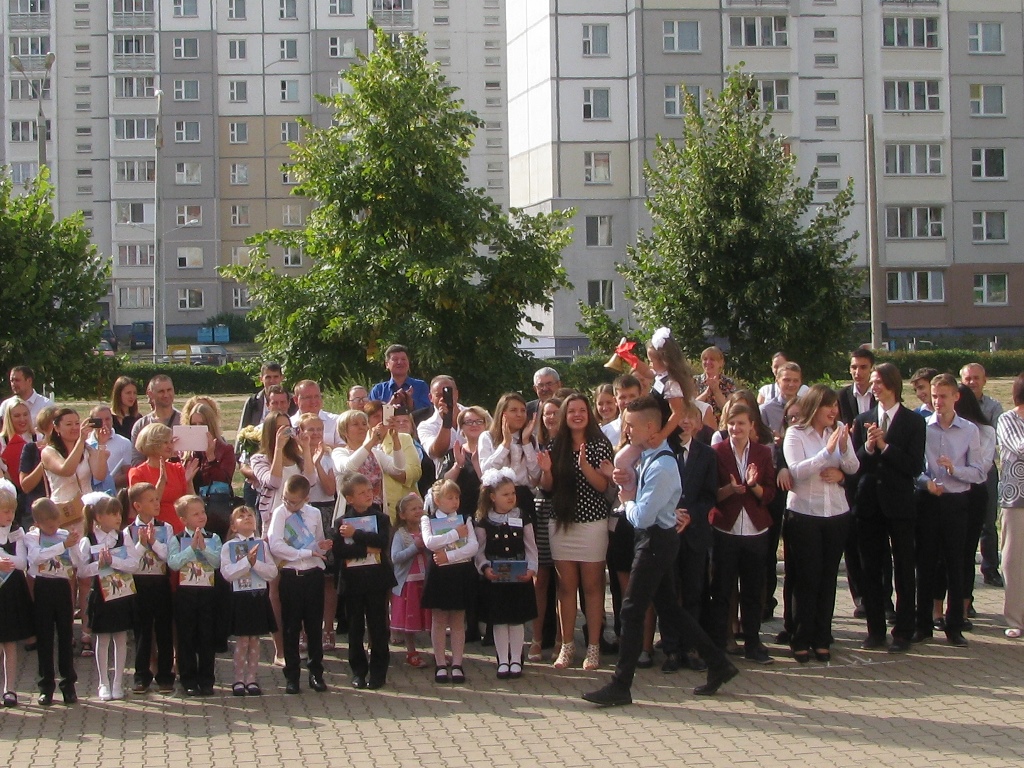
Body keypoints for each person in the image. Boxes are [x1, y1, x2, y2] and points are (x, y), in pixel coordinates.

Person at [583, 396, 738, 707]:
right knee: (670, 608)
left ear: (651, 427)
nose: (625, 430)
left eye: (630, 425)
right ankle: (719, 664)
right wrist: (629, 480)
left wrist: (626, 498)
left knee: (631, 610)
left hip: (655, 541)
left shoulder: (663, 465)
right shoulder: (650, 455)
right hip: (656, 539)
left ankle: (620, 685)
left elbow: (642, 516)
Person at [852, 363, 926, 654]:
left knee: (905, 568)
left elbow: (913, 465)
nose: (875, 387)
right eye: (872, 382)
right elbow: (855, 464)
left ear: (893, 385)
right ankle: (875, 630)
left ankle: (904, 630)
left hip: (899, 505)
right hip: (869, 503)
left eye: (879, 381)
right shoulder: (863, 419)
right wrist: (869, 448)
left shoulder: (912, 422)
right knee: (871, 568)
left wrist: (885, 446)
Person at [783, 385, 859, 663]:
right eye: (829, 406)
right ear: (815, 407)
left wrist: (842, 460)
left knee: (828, 578)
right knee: (807, 578)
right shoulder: (796, 434)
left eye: (836, 407)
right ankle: (800, 638)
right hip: (805, 514)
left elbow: (853, 466)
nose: (834, 411)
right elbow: (797, 471)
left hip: (836, 513)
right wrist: (825, 453)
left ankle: (822, 637)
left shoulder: (839, 430)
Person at [537, 392, 613, 671]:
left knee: (593, 588)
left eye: (582, 410)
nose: (577, 415)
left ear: (589, 414)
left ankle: (593, 649)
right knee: (566, 588)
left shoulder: (599, 444)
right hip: (561, 523)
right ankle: (567, 646)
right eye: (572, 411)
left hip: (592, 523)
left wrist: (585, 467)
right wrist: (545, 471)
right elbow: (547, 488)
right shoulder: (555, 444)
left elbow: (604, 487)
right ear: (564, 416)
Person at [915, 374, 986, 648]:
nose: (938, 401)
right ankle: (923, 625)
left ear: (956, 397)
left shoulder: (969, 430)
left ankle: (955, 625)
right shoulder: (923, 427)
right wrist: (926, 482)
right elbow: (915, 468)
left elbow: (979, 471)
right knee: (926, 563)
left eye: (943, 396)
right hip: (929, 501)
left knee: (956, 563)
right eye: (934, 396)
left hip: (957, 502)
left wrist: (954, 470)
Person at [710, 404, 776, 664]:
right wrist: (731, 489)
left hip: (755, 529)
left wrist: (753, 486)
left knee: (752, 590)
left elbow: (769, 493)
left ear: (751, 426)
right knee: (722, 589)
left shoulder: (761, 453)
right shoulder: (716, 452)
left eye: (741, 424)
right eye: (731, 423)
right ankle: (719, 644)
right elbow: (710, 494)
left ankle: (753, 643)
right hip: (725, 528)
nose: (736, 429)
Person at [269, 475, 332, 694]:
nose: (289, 504)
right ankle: (292, 675)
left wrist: (323, 547)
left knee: (314, 626)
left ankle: (316, 673)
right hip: (290, 574)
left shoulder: (313, 513)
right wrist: (303, 552)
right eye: (286, 499)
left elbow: (318, 542)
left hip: (313, 573)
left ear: (306, 498)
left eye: (294, 501)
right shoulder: (280, 513)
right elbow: (275, 544)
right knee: (291, 627)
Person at [333, 472, 394, 690]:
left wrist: (356, 534)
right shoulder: (341, 522)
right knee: (355, 628)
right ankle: (358, 670)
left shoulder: (380, 518)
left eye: (370, 490)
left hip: (377, 581)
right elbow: (340, 550)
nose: (369, 495)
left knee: (378, 627)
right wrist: (366, 548)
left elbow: (382, 542)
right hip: (353, 583)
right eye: (362, 492)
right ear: (350, 499)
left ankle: (379, 672)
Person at [474, 468, 538, 679]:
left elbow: (531, 546)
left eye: (513, 493)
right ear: (492, 497)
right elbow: (479, 550)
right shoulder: (484, 521)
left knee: (516, 620)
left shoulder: (523, 516)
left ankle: (517, 659)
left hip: (518, 578)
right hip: (496, 579)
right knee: (500, 620)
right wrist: (485, 568)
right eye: (505, 494)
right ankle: (502, 659)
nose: (511, 498)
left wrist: (531, 569)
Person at [76, 493, 139, 701]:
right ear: (99, 517)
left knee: (121, 638)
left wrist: (114, 562)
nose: (117, 518)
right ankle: (103, 682)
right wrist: (99, 565)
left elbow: (134, 564)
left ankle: (118, 682)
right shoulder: (88, 540)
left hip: (121, 595)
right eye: (112, 514)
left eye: (119, 513)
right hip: (100, 595)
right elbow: (82, 571)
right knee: (102, 639)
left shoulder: (124, 537)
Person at [673, 403, 719, 670]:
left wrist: (691, 514)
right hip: (668, 531)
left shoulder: (707, 455)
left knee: (693, 591)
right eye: (682, 416)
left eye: (692, 417)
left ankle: (690, 647)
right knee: (669, 591)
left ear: (699, 424)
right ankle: (670, 648)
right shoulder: (663, 452)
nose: (686, 421)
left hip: (695, 533)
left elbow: (710, 496)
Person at [421, 478, 479, 684]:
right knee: (438, 620)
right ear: (437, 500)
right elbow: (430, 542)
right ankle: (439, 663)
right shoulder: (427, 519)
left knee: (457, 620)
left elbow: (473, 546)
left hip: (460, 572)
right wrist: (455, 534)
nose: (455, 502)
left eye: (457, 497)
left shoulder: (465, 518)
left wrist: (450, 556)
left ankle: (457, 663)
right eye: (450, 497)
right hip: (439, 574)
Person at [25, 498, 81, 706]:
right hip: (43, 586)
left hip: (62, 586)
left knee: (66, 635)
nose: (54, 528)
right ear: (38, 523)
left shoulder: (64, 535)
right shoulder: (32, 537)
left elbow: (76, 561)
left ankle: (69, 685)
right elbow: (36, 558)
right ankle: (46, 686)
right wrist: (62, 546)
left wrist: (73, 546)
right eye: (49, 525)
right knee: (45, 637)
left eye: (56, 523)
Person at [167, 494, 222, 696]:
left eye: (203, 512)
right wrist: (191, 549)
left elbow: (217, 562)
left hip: (207, 592)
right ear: (183, 520)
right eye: (195, 514)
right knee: (186, 637)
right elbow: (173, 563)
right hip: (186, 593)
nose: (201, 516)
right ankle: (188, 679)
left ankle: (207, 680)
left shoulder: (213, 538)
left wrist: (204, 548)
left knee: (207, 636)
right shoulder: (177, 539)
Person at [220, 505, 278, 697]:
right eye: (241, 516)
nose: (247, 518)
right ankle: (238, 678)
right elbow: (227, 573)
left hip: (258, 596)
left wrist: (256, 564)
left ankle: (252, 678)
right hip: (241, 597)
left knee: (255, 639)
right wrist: (246, 563)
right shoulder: (229, 546)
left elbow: (272, 572)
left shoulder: (262, 544)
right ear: (233, 526)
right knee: (242, 640)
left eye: (250, 515)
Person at [124, 482, 175, 694]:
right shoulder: (128, 531)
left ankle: (165, 675)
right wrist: (141, 544)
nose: (156, 503)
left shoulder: (166, 528)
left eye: (157, 499)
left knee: (164, 630)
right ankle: (141, 676)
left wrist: (154, 542)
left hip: (160, 582)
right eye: (151, 500)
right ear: (137, 506)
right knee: (143, 631)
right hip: (139, 583)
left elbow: (170, 558)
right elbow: (130, 562)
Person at [838, 349, 876, 619]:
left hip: (875, 473)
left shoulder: (880, 394)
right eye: (854, 367)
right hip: (849, 476)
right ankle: (860, 596)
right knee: (851, 540)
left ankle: (881, 597)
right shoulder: (842, 396)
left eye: (863, 367)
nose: (857, 372)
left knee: (874, 540)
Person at [296, 413, 339, 651]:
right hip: (302, 513)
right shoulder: (295, 456)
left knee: (328, 578)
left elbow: (329, 488)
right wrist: (309, 458)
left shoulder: (329, 456)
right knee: (304, 575)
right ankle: (304, 630)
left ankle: (328, 628)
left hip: (325, 513)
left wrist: (321, 459)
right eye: (309, 430)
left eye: (318, 430)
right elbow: (303, 485)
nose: (314, 435)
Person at [960, 362, 1004, 588]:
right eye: (968, 379)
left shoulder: (993, 407)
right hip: (957, 473)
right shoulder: (955, 403)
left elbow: (996, 437)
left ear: (985, 380)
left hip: (986, 470)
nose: (972, 382)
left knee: (988, 522)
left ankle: (990, 568)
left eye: (977, 378)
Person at [529, 397, 561, 662]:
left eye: (555, 413)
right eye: (546, 414)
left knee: (564, 582)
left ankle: (563, 640)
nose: (550, 418)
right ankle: (537, 639)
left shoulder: (572, 444)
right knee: (540, 580)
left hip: (564, 512)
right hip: (540, 511)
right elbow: (537, 482)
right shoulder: (536, 444)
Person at [128, 423, 198, 533]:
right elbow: (145, 508)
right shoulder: (138, 473)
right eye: (165, 442)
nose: (170, 446)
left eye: (171, 442)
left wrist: (189, 483)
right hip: (155, 532)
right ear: (152, 444)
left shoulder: (177, 468)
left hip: (179, 531)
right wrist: (161, 482)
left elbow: (190, 505)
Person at [478, 392, 540, 517]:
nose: (519, 415)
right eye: (513, 410)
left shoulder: (531, 438)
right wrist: (505, 444)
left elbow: (536, 473)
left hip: (523, 495)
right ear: (503, 414)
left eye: (523, 410)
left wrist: (526, 442)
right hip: (497, 497)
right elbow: (486, 471)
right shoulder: (488, 437)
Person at [996, 374, 1024, 638]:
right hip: (1017, 498)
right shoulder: (1008, 420)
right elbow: (1020, 447)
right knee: (1013, 560)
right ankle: (1016, 618)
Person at [0, 482, 33, 707]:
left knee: (10, 643)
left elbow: (22, 562)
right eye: (5, 510)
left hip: (11, 592)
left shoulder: (16, 532)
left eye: (12, 510)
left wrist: (5, 560)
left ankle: (10, 689)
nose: (10, 515)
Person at [390, 493, 431, 668]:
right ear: (403, 515)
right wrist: (416, 547)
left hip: (427, 581)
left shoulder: (427, 530)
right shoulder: (400, 535)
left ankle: (439, 651)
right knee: (410, 619)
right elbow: (396, 557)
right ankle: (411, 651)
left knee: (431, 618)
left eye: (420, 508)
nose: (418, 511)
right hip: (409, 583)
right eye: (413, 509)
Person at [442, 406, 490, 518]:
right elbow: (443, 483)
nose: (474, 425)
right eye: (468, 422)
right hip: (460, 513)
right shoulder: (453, 452)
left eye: (479, 421)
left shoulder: (493, 452)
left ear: (485, 425)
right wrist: (458, 465)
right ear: (461, 427)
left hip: (487, 512)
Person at [18, 405, 58, 530]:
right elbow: (25, 485)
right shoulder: (31, 449)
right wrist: (44, 461)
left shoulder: (69, 450)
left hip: (62, 509)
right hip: (38, 513)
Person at [129, 375, 182, 466]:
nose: (166, 395)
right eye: (161, 391)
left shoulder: (184, 421)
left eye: (169, 390)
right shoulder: (141, 425)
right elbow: (136, 461)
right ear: (150, 394)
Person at [418, 375, 465, 472]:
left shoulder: (478, 415)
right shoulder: (426, 426)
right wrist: (446, 421)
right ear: (431, 397)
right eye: (439, 395)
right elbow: (436, 452)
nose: (443, 398)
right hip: (447, 480)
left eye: (448, 393)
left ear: (456, 394)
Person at [369, 344, 431, 413]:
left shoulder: (421, 386)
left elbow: (428, 413)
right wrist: (390, 405)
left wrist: (411, 403)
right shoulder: (378, 390)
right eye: (395, 359)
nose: (400, 362)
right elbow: (372, 417)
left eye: (403, 359)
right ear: (387, 364)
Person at [1, 399, 34, 522]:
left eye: (25, 414)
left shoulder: (37, 437)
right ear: (9, 418)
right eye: (17, 416)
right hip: (10, 496)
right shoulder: (2, 441)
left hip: (33, 495)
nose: (22, 419)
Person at [86, 405, 133, 493]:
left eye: (107, 419)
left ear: (112, 420)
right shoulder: (86, 444)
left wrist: (109, 482)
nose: (104, 423)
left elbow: (128, 473)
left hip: (116, 493)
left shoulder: (124, 443)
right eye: (99, 420)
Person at [238, 363, 296, 432]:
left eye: (275, 377)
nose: (272, 381)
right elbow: (242, 430)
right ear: (261, 379)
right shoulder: (252, 402)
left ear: (282, 378)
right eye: (268, 377)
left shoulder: (292, 400)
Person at [290, 380, 341, 448]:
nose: (313, 401)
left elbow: (345, 448)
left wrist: (320, 447)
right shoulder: (289, 423)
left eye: (317, 396)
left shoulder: (336, 421)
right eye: (308, 397)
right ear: (296, 400)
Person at [760, 362, 804, 435]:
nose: (791, 384)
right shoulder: (766, 410)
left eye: (795, 381)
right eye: (787, 380)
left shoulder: (807, 408)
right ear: (777, 381)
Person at [694, 346, 737, 420]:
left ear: (721, 363)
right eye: (705, 359)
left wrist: (716, 390)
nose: (708, 362)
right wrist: (706, 392)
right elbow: (691, 407)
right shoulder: (695, 381)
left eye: (712, 359)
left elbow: (728, 409)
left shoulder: (728, 382)